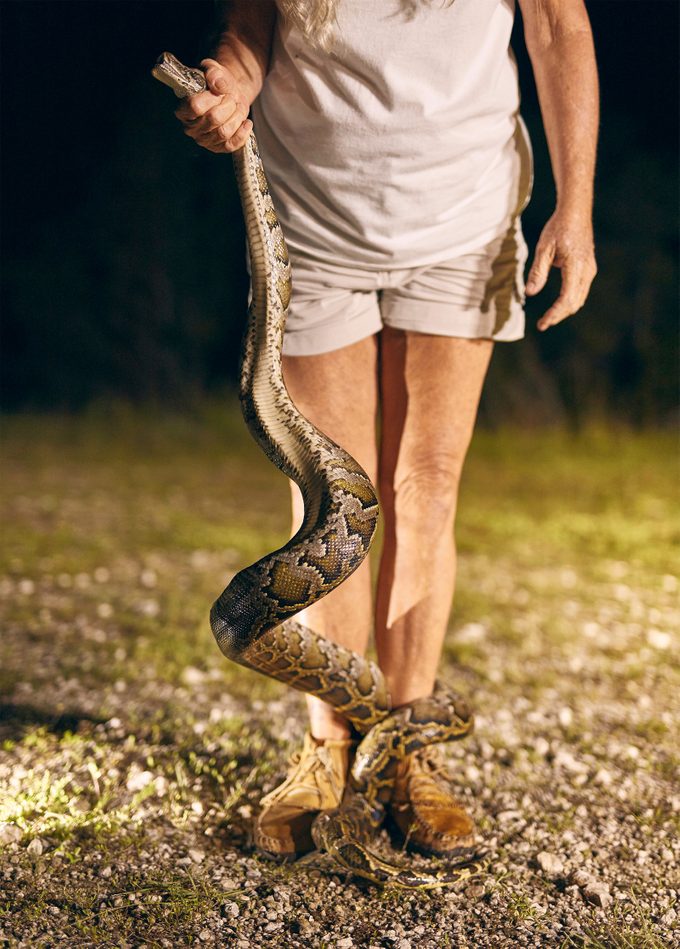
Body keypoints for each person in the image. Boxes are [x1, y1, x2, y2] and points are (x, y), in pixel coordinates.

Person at [175, 0, 598, 861]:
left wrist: (576, 206)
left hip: (464, 215)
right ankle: (329, 745)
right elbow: (254, 25)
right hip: (313, 210)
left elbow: (559, 28)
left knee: (426, 485)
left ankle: (410, 745)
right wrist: (231, 84)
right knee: (332, 500)